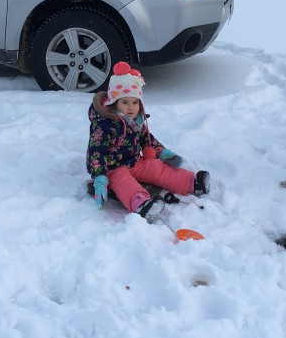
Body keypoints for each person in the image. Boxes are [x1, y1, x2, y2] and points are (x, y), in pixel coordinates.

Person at [87, 62, 210, 223]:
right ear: (114, 103)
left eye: (135, 102)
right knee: (123, 182)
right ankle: (141, 203)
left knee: (156, 168)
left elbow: (147, 139)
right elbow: (97, 152)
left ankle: (192, 182)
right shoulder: (104, 125)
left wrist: (162, 152)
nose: (131, 107)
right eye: (125, 102)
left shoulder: (136, 121)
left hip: (135, 161)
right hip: (112, 168)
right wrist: (100, 176)